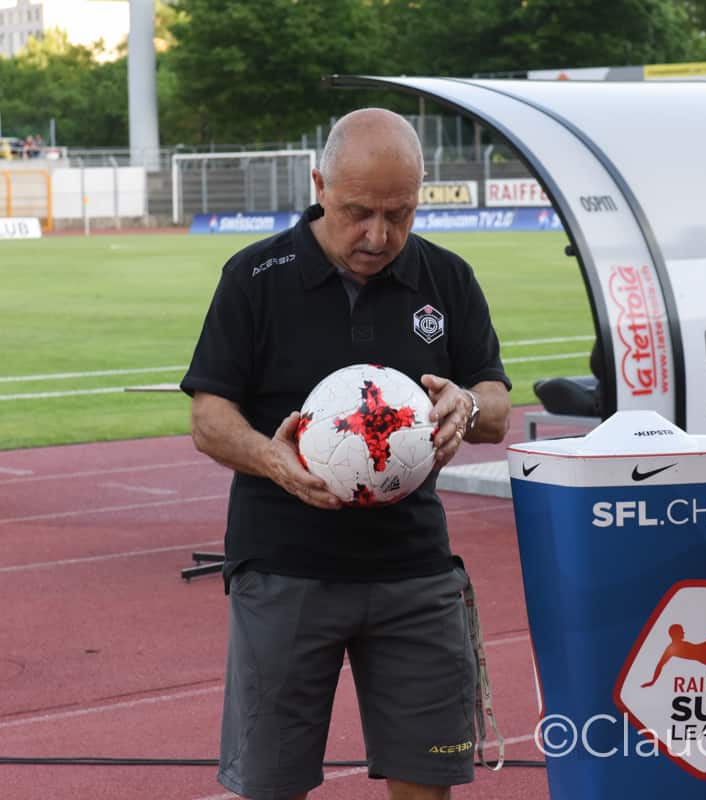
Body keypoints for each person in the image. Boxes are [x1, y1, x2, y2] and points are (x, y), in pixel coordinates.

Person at [181, 108, 512, 800]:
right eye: (358, 212)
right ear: (320, 185)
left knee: (429, 778)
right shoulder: (255, 277)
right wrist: (272, 459)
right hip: (283, 570)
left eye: (400, 213)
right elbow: (209, 418)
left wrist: (468, 406)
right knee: (272, 784)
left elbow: (495, 403)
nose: (378, 235)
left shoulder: (447, 278)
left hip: (414, 572)